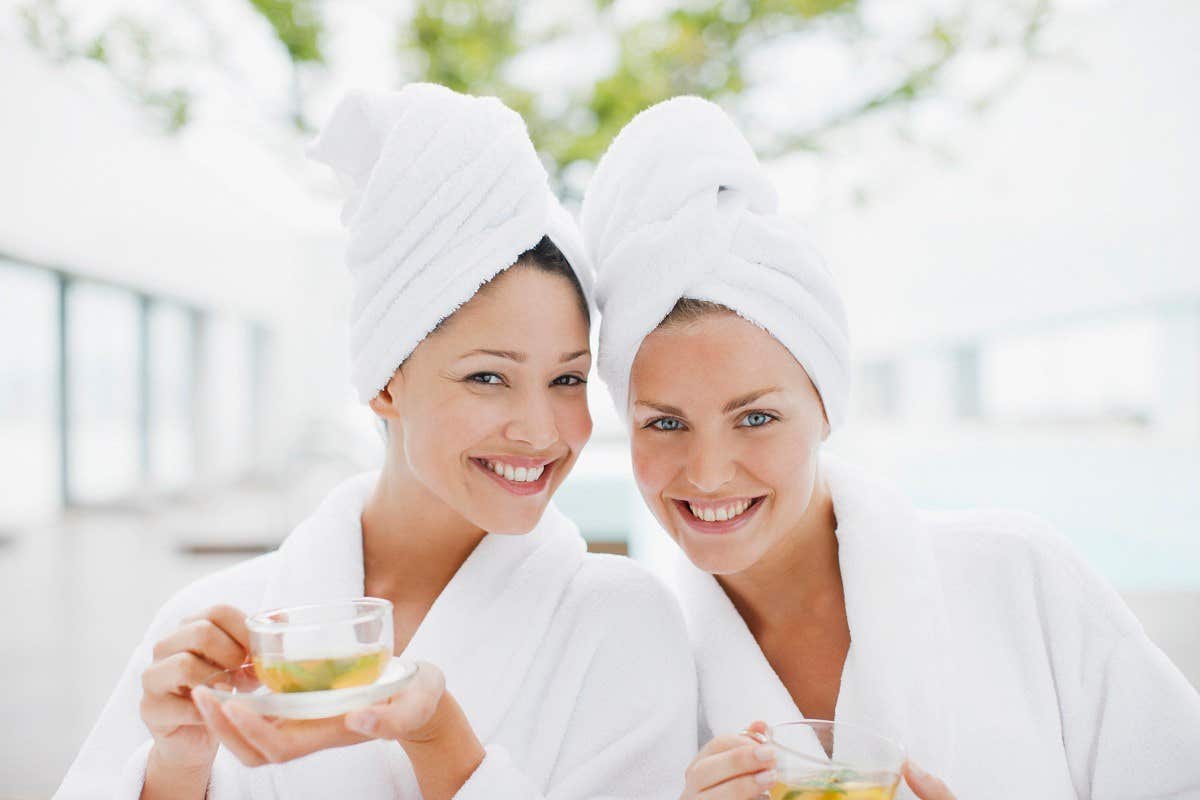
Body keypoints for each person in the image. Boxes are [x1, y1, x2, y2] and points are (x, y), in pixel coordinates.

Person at [56, 84, 696, 800]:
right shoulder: (218, 625)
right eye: (489, 377)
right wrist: (175, 768)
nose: (542, 430)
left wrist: (439, 739)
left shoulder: (622, 623)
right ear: (385, 382)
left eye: (568, 380)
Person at [579, 95, 1200, 800]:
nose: (710, 472)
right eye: (664, 423)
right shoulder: (631, 677)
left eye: (755, 419)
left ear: (826, 408)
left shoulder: (1019, 579)